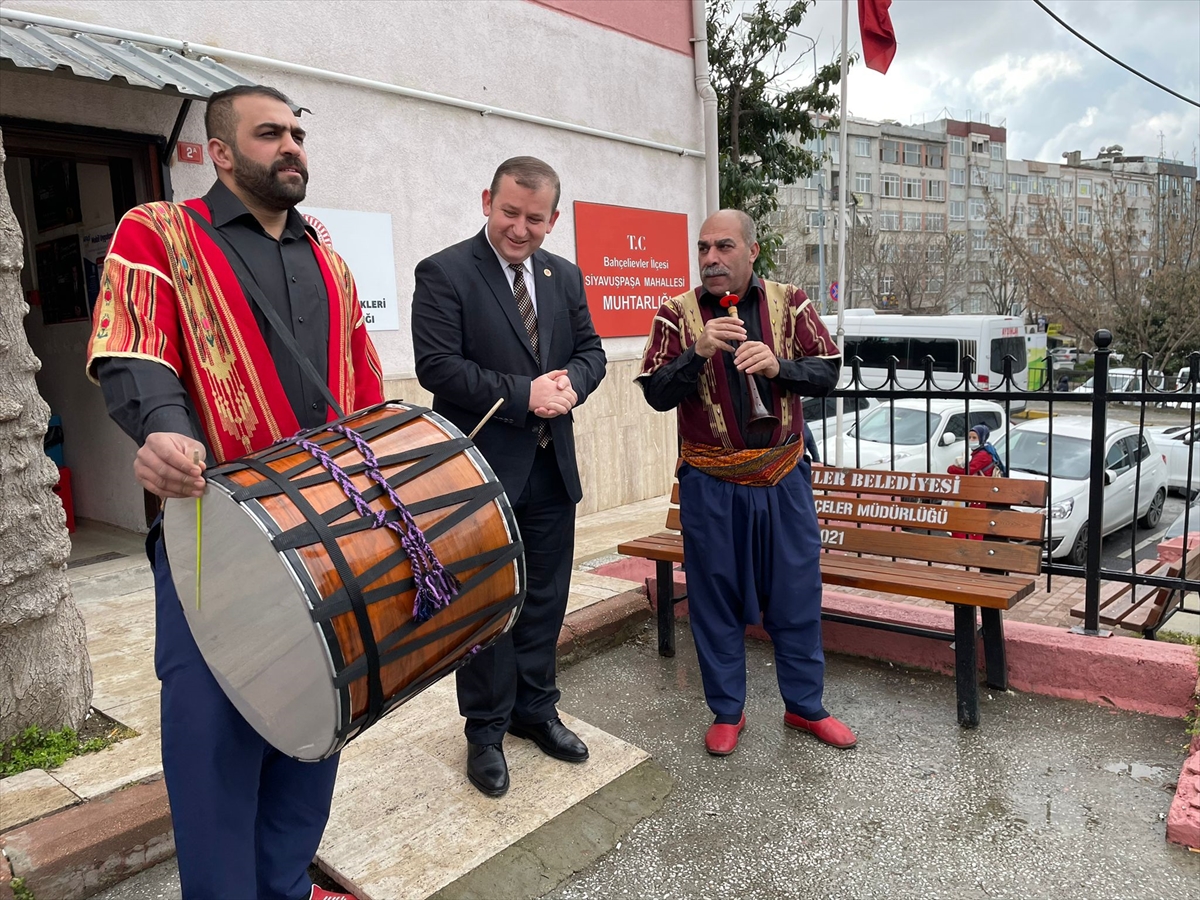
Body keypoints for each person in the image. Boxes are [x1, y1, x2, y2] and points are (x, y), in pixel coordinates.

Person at [87, 85, 382, 900]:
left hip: (327, 536)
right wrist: (161, 427)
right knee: (213, 753)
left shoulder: (329, 257)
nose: (291, 146)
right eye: (269, 134)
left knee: (313, 736)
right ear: (220, 152)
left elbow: (358, 386)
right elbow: (133, 348)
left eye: (296, 133)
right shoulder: (158, 232)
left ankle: (286, 887)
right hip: (214, 540)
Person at [411, 157, 607, 797]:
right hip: (481, 479)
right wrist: (525, 394)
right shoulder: (444, 273)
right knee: (489, 605)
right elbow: (439, 368)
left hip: (552, 469)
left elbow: (592, 354)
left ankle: (535, 711)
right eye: (509, 213)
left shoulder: (563, 276)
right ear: (486, 200)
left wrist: (569, 386)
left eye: (535, 218)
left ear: (553, 217)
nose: (520, 229)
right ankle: (486, 732)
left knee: (545, 599)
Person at [635, 209, 856, 757]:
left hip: (783, 478)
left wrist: (780, 368)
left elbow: (829, 371)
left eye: (724, 247)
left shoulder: (791, 302)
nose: (711, 258)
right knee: (714, 598)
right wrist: (698, 352)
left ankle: (806, 707)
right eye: (704, 248)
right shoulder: (676, 314)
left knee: (796, 594)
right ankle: (727, 711)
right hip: (711, 483)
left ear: (751, 252)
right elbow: (657, 392)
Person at [947, 425, 1002, 540]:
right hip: (978, 492)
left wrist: (951, 469)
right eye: (970, 437)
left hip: (980, 493)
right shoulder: (984, 450)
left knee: (972, 522)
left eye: (974, 438)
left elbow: (969, 470)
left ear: (982, 438)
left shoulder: (983, 455)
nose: (971, 440)